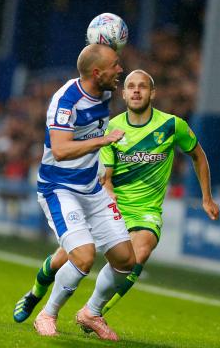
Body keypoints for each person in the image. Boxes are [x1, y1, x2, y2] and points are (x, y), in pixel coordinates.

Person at [14, 69, 219, 326]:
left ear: (152, 93)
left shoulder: (172, 125)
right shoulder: (111, 128)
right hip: (109, 204)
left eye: (142, 86)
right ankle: (35, 293)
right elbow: (106, 177)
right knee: (65, 258)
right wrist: (109, 194)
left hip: (145, 210)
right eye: (131, 86)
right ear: (123, 94)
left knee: (139, 252)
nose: (136, 91)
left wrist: (206, 198)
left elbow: (198, 155)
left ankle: (93, 312)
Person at [30, 44, 135, 341]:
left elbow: (97, 55)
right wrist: (103, 141)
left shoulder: (104, 91)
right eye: (115, 66)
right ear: (97, 73)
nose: (120, 70)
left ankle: (91, 312)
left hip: (92, 189)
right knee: (84, 256)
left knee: (125, 260)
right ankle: (47, 313)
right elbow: (61, 150)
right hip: (59, 189)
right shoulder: (66, 100)